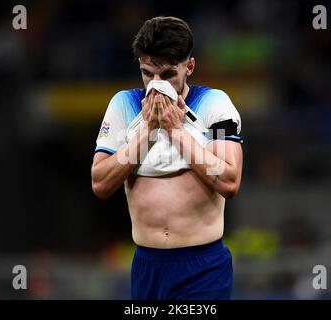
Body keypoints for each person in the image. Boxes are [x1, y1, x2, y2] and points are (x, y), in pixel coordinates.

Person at [91, 16, 243, 300]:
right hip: (147, 266)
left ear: (190, 67)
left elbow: (229, 181)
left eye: (168, 75)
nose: (156, 84)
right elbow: (100, 183)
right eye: (148, 73)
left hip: (203, 266)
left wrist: (175, 130)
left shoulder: (215, 105)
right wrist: (148, 130)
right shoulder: (123, 105)